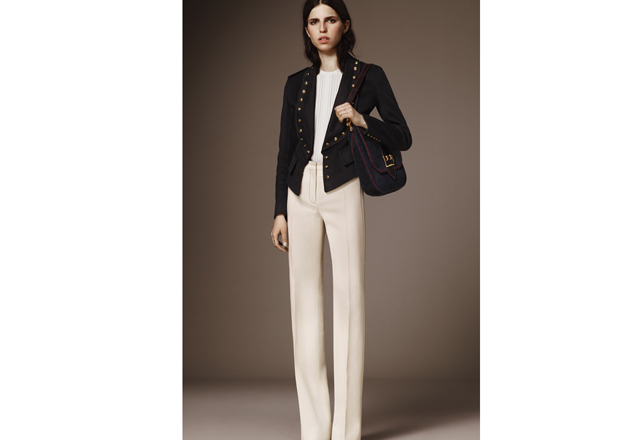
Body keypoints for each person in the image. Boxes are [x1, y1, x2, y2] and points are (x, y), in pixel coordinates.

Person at [270, 1, 412, 439]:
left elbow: (403, 135)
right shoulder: (296, 83)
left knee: (349, 302)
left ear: (344, 25)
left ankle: (347, 431)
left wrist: (363, 119)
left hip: (343, 187)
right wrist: (279, 211)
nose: (322, 28)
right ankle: (315, 429)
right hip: (300, 192)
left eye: (329, 20)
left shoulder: (369, 76)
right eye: (313, 21)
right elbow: (284, 151)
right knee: (304, 306)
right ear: (307, 30)